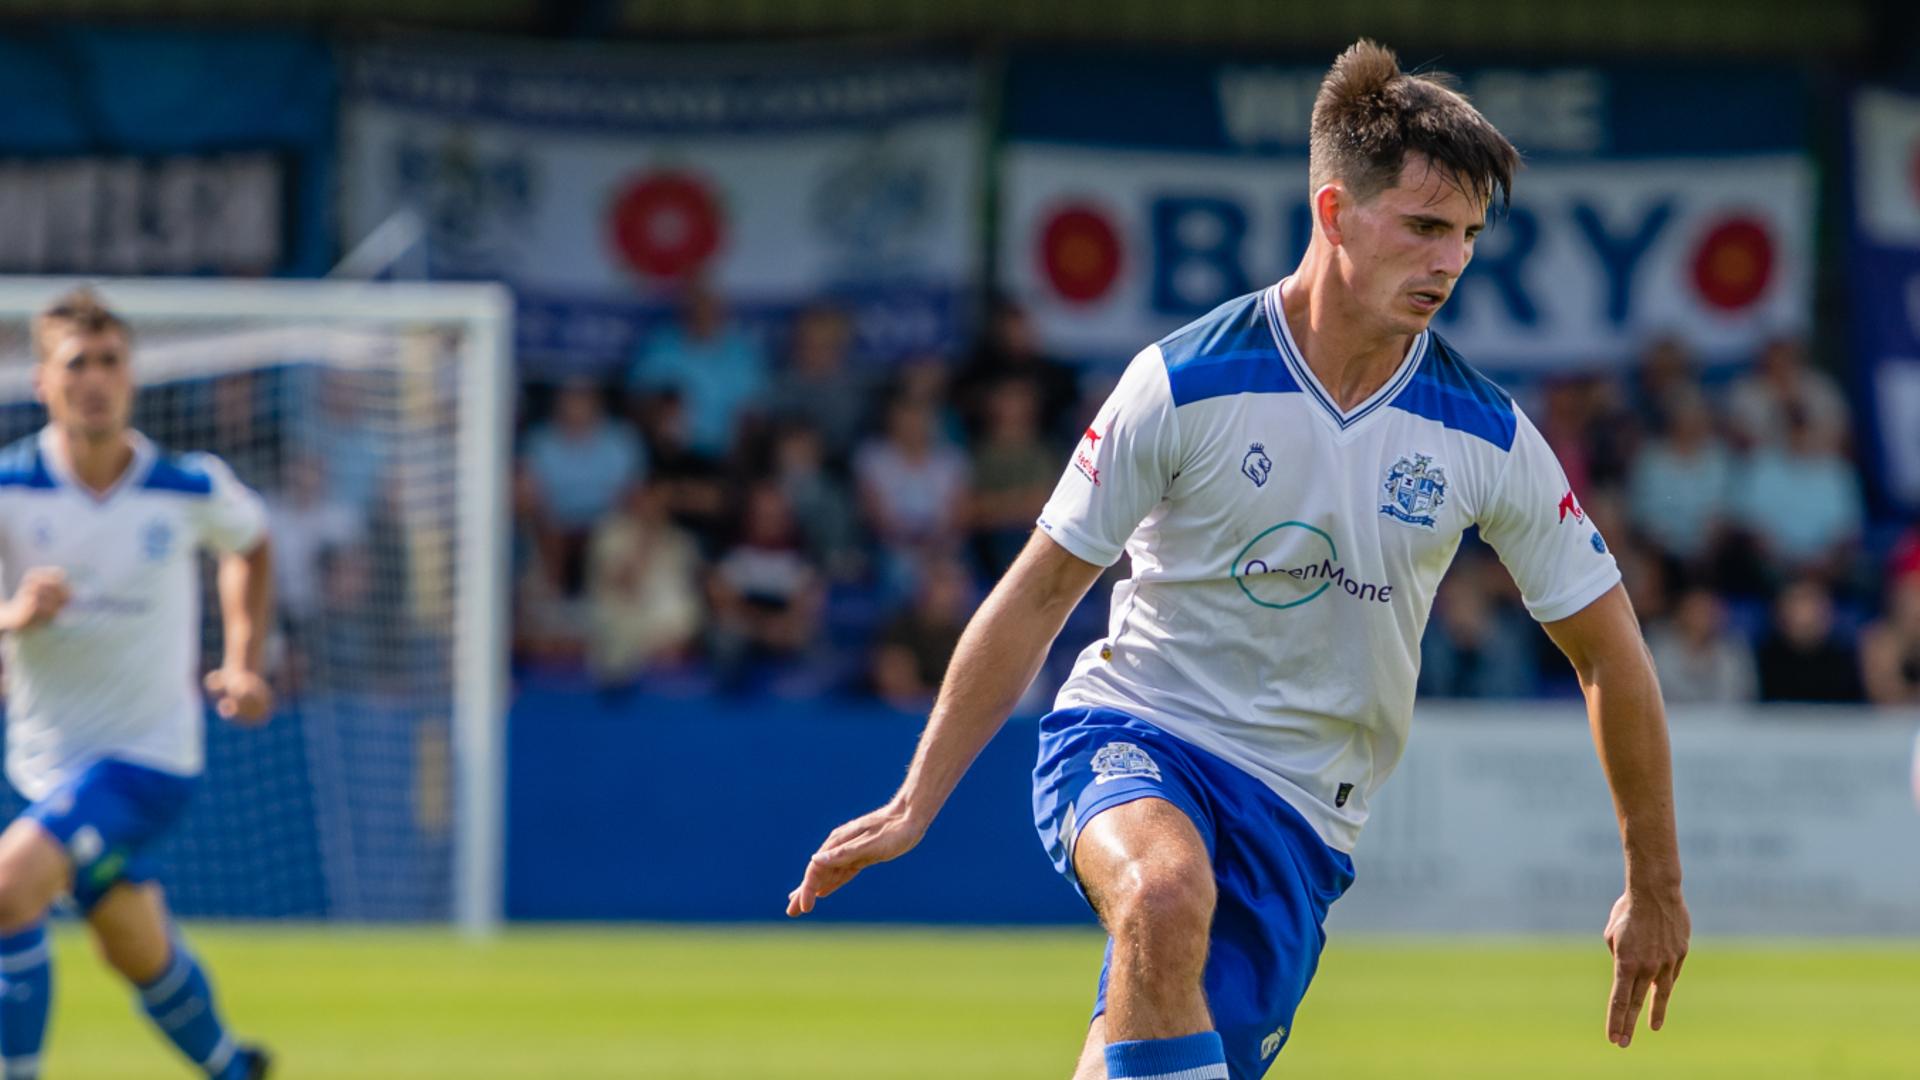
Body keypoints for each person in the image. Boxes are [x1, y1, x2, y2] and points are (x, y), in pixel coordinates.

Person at [787, 41, 1689, 1080]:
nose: (1451, 263)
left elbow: (1609, 654)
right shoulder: (1182, 382)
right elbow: (1040, 591)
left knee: (1148, 1045)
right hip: (1135, 730)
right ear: (1335, 212)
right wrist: (915, 801)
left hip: (1299, 817)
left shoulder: (1486, 437)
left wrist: (1654, 883)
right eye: (1426, 227)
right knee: (1163, 898)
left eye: (1472, 237)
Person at [0, 290, 274, 1079]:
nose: (96, 379)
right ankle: (231, 1067)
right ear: (40, 382)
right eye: (76, 363)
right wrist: (15, 614)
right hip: (43, 764)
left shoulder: (187, 486)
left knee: (10, 890)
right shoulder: (12, 487)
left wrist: (245, 656)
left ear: (133, 377)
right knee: (132, 942)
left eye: (111, 362)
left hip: (149, 759)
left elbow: (250, 546)